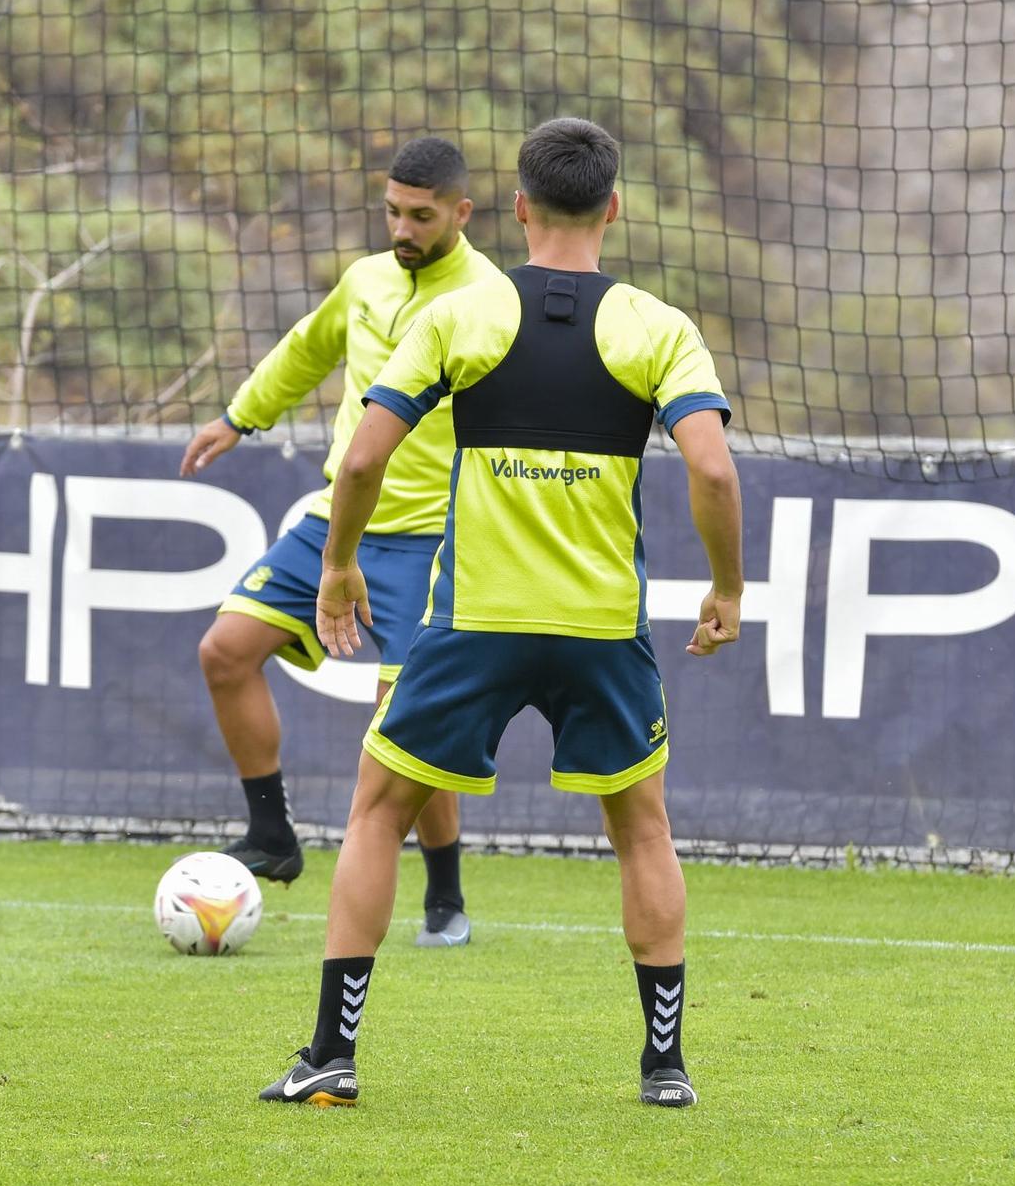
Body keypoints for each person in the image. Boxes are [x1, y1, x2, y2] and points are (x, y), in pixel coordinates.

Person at [259, 118, 744, 1109]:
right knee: (641, 830)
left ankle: (330, 1057)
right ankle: (663, 1068)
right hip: (599, 629)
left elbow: (359, 458)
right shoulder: (657, 327)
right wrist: (724, 587)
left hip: (471, 623)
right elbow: (711, 468)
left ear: (516, 209)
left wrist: (339, 563)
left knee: (376, 813)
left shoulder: (460, 318)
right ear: (613, 208)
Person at [181, 137, 499, 946]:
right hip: (338, 521)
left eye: (421, 216)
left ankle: (446, 896)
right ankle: (273, 836)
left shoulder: (494, 297)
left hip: (432, 537)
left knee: (407, 725)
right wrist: (238, 417)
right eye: (393, 210)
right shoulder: (365, 278)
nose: (403, 226)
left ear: (462, 213)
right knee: (224, 650)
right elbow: (306, 349)